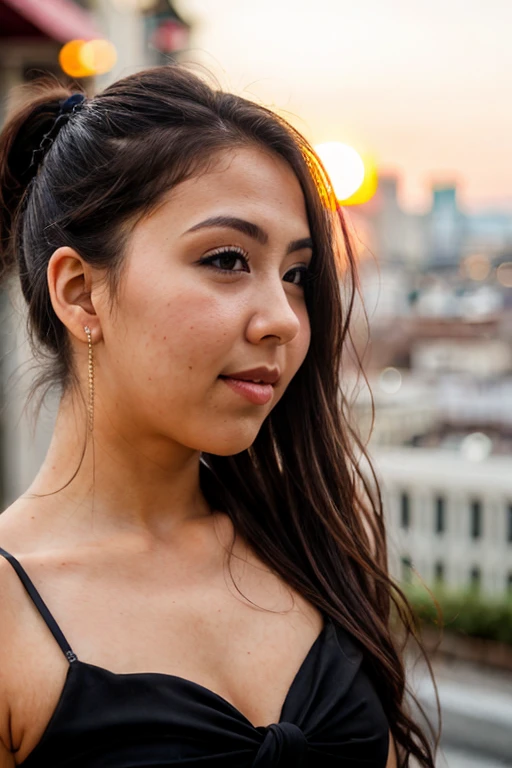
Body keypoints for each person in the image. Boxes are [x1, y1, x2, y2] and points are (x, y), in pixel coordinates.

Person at [0, 65, 437, 767]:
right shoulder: (9, 612)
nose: (284, 321)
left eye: (295, 275)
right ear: (81, 294)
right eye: (228, 259)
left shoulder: (311, 536)